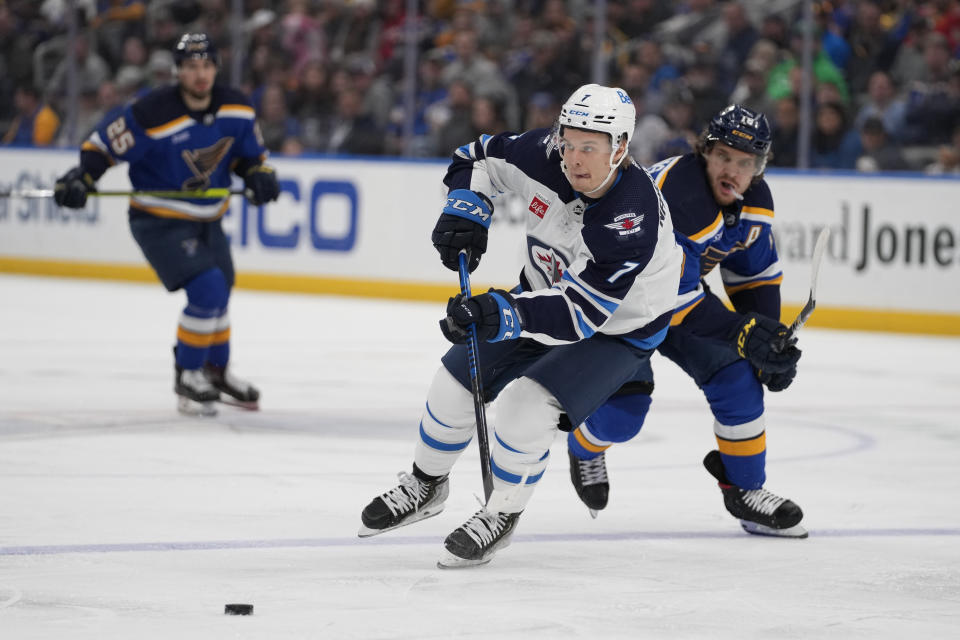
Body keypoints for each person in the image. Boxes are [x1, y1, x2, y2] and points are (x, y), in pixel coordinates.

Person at [358, 84, 683, 567]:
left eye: (589, 148)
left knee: (525, 406)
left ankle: (502, 513)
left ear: (620, 148)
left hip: (618, 329)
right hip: (540, 295)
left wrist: (502, 315)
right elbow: (478, 157)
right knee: (454, 379)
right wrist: (467, 207)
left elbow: (580, 315)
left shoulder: (629, 218)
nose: (573, 158)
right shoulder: (544, 155)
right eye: (569, 142)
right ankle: (427, 486)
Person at [566, 105, 807, 539]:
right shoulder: (681, 195)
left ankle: (747, 491)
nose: (732, 170)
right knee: (623, 418)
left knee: (739, 376)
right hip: (618, 305)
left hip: (675, 301)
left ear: (759, 168)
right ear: (705, 152)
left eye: (745, 162)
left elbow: (754, 275)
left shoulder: (753, 203)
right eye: (724, 157)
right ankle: (583, 443)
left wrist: (765, 343)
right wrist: (743, 333)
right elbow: (672, 297)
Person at [53, 33, 280, 416]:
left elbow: (246, 156)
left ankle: (215, 370)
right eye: (191, 66)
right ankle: (187, 374)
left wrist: (258, 174)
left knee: (221, 290)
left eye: (206, 65)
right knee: (207, 289)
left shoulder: (238, 109)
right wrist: (81, 177)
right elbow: (103, 146)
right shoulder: (151, 112)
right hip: (159, 221)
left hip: (208, 219)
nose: (200, 74)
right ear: (178, 71)